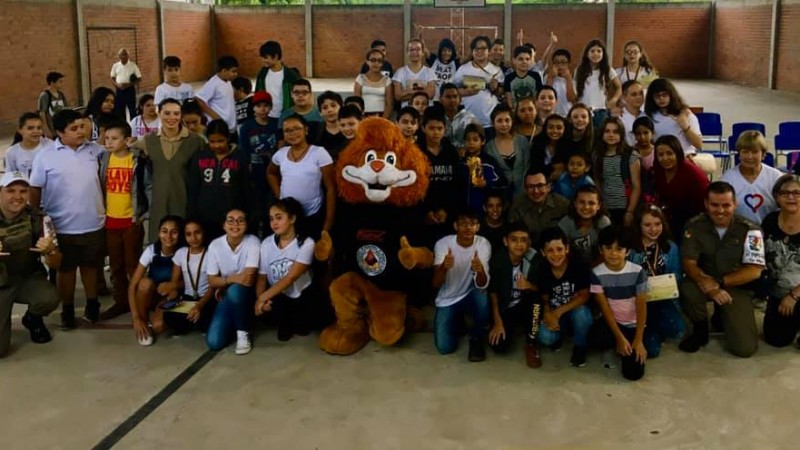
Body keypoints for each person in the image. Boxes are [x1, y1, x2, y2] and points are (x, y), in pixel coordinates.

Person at [29, 109, 106, 329]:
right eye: (74, 129)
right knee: (66, 269)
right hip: (62, 225)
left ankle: (93, 305)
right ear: (60, 132)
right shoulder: (45, 155)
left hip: (93, 221)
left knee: (91, 266)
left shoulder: (95, 151)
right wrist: (36, 219)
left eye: (82, 126)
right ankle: (68, 310)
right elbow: (35, 189)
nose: (81, 132)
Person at [679, 181, 765, 357]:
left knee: (744, 349)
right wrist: (707, 283)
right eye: (714, 205)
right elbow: (688, 262)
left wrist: (717, 284)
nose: (720, 211)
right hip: (702, 281)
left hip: (735, 285)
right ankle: (700, 328)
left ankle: (721, 316)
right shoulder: (694, 226)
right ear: (706, 204)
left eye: (726, 205)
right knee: (687, 288)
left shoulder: (751, 230)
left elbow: (754, 270)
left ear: (735, 204)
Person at [0, 171, 60, 357]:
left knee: (49, 297)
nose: (17, 196)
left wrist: (50, 250)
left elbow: (57, 263)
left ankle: (33, 319)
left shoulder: (39, 219)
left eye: (23, 191)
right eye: (11, 191)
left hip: (27, 278)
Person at [133, 98, 205, 241]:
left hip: (184, 202)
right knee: (159, 245)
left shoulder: (196, 141)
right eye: (167, 113)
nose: (172, 118)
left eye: (176, 114)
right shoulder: (148, 141)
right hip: (159, 203)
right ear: (159, 114)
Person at [98, 121, 150, 320]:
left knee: (132, 263)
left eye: (114, 138)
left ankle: (138, 298)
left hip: (131, 221)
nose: (109, 142)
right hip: (111, 221)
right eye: (107, 138)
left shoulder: (136, 160)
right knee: (116, 264)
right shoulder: (104, 159)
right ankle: (121, 301)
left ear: (127, 140)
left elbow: (147, 187)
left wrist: (144, 214)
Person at [255, 198, 327, 340]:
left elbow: (291, 277)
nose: (274, 223)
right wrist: (261, 301)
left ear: (292, 218)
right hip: (278, 296)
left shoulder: (306, 243)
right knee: (279, 330)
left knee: (307, 327)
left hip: (302, 295)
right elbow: (262, 277)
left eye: (279, 218)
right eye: (271, 219)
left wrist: (264, 297)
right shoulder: (266, 244)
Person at [432, 208, 492, 362]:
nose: (468, 227)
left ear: (478, 227)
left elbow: (482, 283)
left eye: (472, 224)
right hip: (448, 297)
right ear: (455, 226)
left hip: (471, 293)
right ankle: (459, 320)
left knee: (482, 295)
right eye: (463, 224)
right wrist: (444, 266)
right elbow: (435, 283)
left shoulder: (483, 244)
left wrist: (479, 270)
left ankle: (476, 337)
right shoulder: (443, 244)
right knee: (445, 348)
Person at [590, 226, 649, 381]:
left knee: (634, 374)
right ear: (601, 249)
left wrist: (638, 339)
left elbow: (641, 305)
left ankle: (629, 345)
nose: (614, 253)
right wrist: (619, 338)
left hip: (634, 324)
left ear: (627, 251)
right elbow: (604, 307)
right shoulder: (596, 273)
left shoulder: (638, 271)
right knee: (595, 338)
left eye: (619, 248)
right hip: (613, 324)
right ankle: (614, 346)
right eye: (608, 248)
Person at [626, 205, 685, 357]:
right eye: (647, 225)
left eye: (657, 224)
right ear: (639, 226)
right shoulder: (630, 249)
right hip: (638, 301)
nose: (653, 229)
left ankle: (655, 330)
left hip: (663, 299)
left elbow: (676, 275)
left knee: (676, 331)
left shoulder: (671, 247)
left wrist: (662, 285)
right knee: (652, 352)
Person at [268, 114, 336, 239]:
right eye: (288, 131)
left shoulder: (319, 153)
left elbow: (331, 189)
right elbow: (271, 173)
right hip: (286, 214)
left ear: (306, 130)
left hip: (313, 213)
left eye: (297, 129)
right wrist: (279, 195)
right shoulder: (281, 154)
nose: (292, 133)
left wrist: (328, 223)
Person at [205, 209, 261, 354]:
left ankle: (243, 333)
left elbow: (248, 279)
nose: (235, 224)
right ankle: (235, 323)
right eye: (230, 220)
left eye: (241, 220)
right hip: (228, 294)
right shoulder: (215, 245)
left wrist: (223, 282)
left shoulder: (253, 242)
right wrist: (232, 279)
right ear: (224, 225)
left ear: (246, 225)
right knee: (214, 342)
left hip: (248, 294)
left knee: (235, 290)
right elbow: (211, 281)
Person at [536, 227, 593, 368]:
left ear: (567, 248)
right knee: (545, 336)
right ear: (543, 252)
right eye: (550, 250)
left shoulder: (578, 265)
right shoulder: (542, 269)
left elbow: (584, 296)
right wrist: (548, 312)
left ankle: (580, 347)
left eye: (559, 249)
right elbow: (544, 296)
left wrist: (558, 311)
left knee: (582, 315)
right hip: (556, 314)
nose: (556, 255)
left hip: (574, 310)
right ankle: (560, 335)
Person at [488, 222, 542, 368]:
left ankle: (531, 340)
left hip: (525, 305)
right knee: (499, 347)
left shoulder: (534, 258)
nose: (519, 244)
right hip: (505, 308)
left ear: (529, 242)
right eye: (514, 240)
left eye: (524, 240)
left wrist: (529, 285)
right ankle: (503, 327)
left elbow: (541, 288)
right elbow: (492, 293)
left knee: (536, 302)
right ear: (506, 241)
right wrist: (498, 321)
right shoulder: (499, 259)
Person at [188, 120, 250, 239]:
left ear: (228, 138)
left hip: (231, 218)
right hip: (204, 216)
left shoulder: (240, 157)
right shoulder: (199, 157)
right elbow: (193, 189)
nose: (216, 145)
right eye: (212, 141)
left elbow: (246, 188)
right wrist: (192, 215)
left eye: (220, 141)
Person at [128, 215, 183, 346]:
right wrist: (136, 318)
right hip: (152, 295)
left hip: (171, 297)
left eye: (174, 232)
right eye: (164, 231)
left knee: (158, 326)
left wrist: (173, 285)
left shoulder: (183, 252)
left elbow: (194, 283)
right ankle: (143, 321)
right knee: (144, 284)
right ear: (158, 233)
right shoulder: (151, 251)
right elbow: (132, 286)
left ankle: (162, 316)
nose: (168, 236)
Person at [761, 174, 800, 347]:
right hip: (778, 290)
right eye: (785, 193)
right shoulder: (769, 221)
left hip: (798, 290)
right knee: (776, 339)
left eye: (796, 193)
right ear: (777, 196)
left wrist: (793, 296)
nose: (791, 197)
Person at [161, 219, 216, 335]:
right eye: (189, 234)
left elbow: (213, 286)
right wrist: (171, 299)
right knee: (168, 316)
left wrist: (199, 306)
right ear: (184, 236)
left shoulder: (211, 254)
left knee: (209, 317)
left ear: (203, 233)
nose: (193, 238)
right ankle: (191, 322)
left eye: (197, 232)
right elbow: (174, 282)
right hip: (187, 298)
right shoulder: (181, 253)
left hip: (205, 299)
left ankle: (198, 322)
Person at [418, 107, 464, 242]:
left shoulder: (451, 152)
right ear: (423, 128)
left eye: (440, 128)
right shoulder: (416, 152)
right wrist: (426, 212)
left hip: (448, 213)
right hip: (423, 214)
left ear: (445, 129)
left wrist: (446, 210)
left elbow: (457, 184)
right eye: (431, 128)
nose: (436, 132)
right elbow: (413, 188)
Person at [721, 131, 784, 225]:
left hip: (770, 230)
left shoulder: (775, 177)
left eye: (755, 152)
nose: (750, 157)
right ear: (739, 154)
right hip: (738, 230)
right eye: (745, 152)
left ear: (763, 154)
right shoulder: (728, 178)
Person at [653, 135, 709, 239]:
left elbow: (706, 201)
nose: (665, 158)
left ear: (677, 153)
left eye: (669, 153)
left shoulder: (693, 173)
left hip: (694, 221)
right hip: (669, 219)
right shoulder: (657, 170)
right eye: (660, 154)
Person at [239, 91, 278, 237]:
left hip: (272, 173)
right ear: (253, 108)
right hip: (255, 173)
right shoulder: (246, 127)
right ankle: (254, 235)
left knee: (271, 206)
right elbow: (243, 151)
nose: (262, 109)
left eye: (266, 106)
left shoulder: (276, 124)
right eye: (259, 106)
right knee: (256, 208)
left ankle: (270, 234)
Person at [592, 117, 642, 226]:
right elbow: (598, 181)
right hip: (605, 208)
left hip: (625, 206)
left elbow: (636, 186)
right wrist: (600, 204)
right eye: (607, 131)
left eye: (615, 132)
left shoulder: (631, 156)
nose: (611, 135)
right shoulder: (597, 155)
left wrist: (630, 211)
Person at [454, 36, 505, 128]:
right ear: (472, 51)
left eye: (483, 48)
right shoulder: (463, 69)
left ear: (489, 51)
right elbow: (452, 90)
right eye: (476, 49)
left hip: (489, 122)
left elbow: (502, 92)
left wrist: (496, 88)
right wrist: (465, 92)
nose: (479, 52)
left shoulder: (496, 70)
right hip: (467, 121)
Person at [509, 169, 569, 246]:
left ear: (549, 187)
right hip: (527, 250)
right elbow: (514, 236)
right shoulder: (517, 206)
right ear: (525, 189)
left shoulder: (562, 204)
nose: (536, 191)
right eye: (530, 186)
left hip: (556, 251)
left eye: (540, 185)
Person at [645, 78, 702, 158]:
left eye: (664, 95)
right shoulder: (649, 116)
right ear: (652, 98)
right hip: (661, 158)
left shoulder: (686, 114)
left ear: (671, 95)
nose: (661, 98)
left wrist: (685, 127)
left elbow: (698, 144)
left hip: (685, 157)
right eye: (657, 96)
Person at [483, 104, 530, 199]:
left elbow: (528, 166)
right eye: (499, 121)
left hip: (524, 193)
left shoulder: (522, 141)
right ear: (493, 123)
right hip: (500, 196)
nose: (504, 124)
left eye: (507, 120)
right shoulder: (488, 147)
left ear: (512, 122)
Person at [558, 185, 610, 266]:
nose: (586, 207)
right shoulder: (566, 222)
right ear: (575, 203)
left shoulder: (604, 222)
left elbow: (607, 251)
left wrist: (591, 270)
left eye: (591, 203)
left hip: (599, 266)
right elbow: (560, 252)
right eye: (582, 202)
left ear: (598, 206)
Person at [574, 40, 621, 129]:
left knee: (600, 137)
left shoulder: (608, 70)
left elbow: (619, 87)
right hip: (583, 111)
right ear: (587, 54)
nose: (596, 54)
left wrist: (614, 100)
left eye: (599, 51)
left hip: (601, 111)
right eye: (592, 51)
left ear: (603, 54)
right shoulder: (579, 70)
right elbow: (575, 89)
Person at [460, 123, 505, 214]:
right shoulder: (461, 162)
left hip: (483, 211)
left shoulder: (489, 162)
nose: (471, 143)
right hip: (462, 210)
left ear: (483, 141)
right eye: (468, 140)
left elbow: (503, 181)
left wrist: (487, 183)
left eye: (475, 140)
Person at [256, 41, 302, 123]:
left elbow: (299, 95)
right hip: (266, 116)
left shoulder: (290, 75)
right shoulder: (262, 73)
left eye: (266, 57)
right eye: (262, 57)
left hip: (286, 117)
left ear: (276, 56)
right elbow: (257, 93)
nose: (263, 60)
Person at [195, 56, 239, 131]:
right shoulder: (213, 83)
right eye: (233, 71)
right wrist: (216, 118)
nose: (236, 74)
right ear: (224, 71)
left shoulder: (228, 82)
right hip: (218, 127)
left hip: (230, 127)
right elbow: (199, 100)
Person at [392, 39, 437, 109]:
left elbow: (431, 95)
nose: (414, 52)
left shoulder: (430, 72)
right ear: (407, 52)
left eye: (418, 49)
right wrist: (422, 92)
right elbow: (397, 96)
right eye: (411, 50)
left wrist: (407, 92)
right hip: (407, 112)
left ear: (422, 52)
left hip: (425, 112)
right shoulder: (400, 72)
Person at [5, 113, 52, 177]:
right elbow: (11, 177)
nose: (36, 131)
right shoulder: (12, 152)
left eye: (39, 128)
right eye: (30, 128)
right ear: (19, 130)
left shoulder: (50, 146)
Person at [354, 48, 393, 118]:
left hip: (382, 116)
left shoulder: (387, 80)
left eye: (379, 61)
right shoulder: (360, 78)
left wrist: (382, 121)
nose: (376, 63)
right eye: (373, 60)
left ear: (382, 63)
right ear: (367, 62)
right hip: (363, 116)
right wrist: (361, 119)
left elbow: (389, 105)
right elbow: (356, 102)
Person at [439, 83, 479, 151]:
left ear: (460, 99)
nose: (452, 100)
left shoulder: (470, 118)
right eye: (448, 97)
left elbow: (478, 141)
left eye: (455, 96)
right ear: (440, 99)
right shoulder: (437, 118)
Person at [530, 113, 569, 180]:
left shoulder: (569, 146)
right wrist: (552, 168)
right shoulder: (537, 142)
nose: (555, 131)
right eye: (550, 127)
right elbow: (534, 167)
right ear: (545, 128)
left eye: (559, 128)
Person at [110, 48, 142, 119]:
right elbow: (112, 78)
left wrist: (128, 85)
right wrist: (118, 86)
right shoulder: (115, 66)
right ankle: (123, 126)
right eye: (121, 55)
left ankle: (134, 125)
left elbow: (139, 78)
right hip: (119, 90)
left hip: (129, 89)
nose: (123, 56)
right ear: (119, 56)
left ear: (128, 56)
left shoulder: (133, 65)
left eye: (125, 54)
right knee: (120, 109)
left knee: (132, 109)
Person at [633, 116, 658, 206]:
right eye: (638, 134)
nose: (642, 137)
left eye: (646, 133)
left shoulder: (658, 152)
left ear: (653, 133)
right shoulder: (631, 153)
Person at [545, 50, 575, 117]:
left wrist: (568, 79)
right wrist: (550, 77)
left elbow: (571, 98)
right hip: (551, 115)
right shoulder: (548, 77)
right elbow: (546, 95)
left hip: (567, 114)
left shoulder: (573, 80)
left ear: (568, 64)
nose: (560, 65)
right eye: (556, 62)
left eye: (563, 62)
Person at [38, 71, 68, 139]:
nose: (61, 84)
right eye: (60, 81)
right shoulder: (45, 95)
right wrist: (46, 129)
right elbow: (42, 113)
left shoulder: (61, 95)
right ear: (52, 82)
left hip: (61, 128)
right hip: (51, 128)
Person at [315, 91, 345, 155]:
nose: (330, 110)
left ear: (341, 107)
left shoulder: (350, 130)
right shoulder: (315, 131)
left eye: (333, 105)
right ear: (320, 112)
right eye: (325, 107)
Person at [620, 80, 646, 147]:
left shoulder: (647, 116)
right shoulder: (619, 117)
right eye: (634, 94)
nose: (639, 97)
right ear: (624, 97)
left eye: (641, 93)